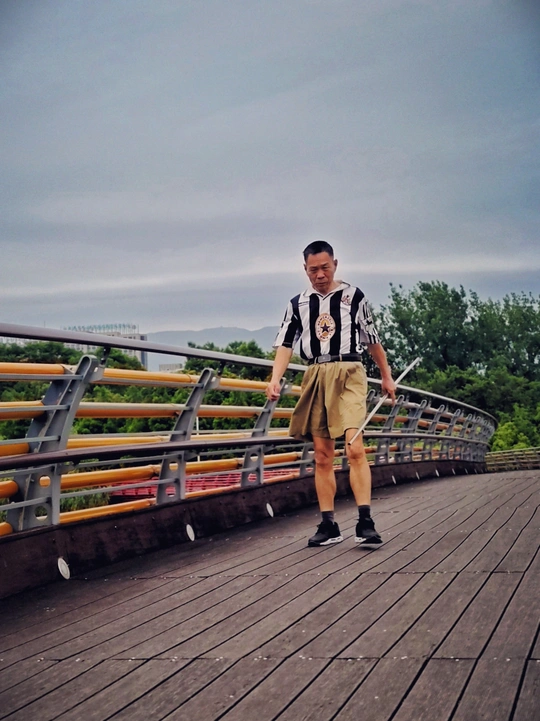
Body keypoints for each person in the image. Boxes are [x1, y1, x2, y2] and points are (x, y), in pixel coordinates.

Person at [266, 240, 396, 547]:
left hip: (349, 371)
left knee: (354, 447)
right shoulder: (297, 303)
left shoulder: (354, 296)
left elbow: (372, 339)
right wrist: (275, 379)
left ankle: (365, 522)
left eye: (325, 268)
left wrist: (386, 376)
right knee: (322, 454)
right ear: (305, 269)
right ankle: (328, 525)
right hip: (315, 374)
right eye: (313, 270)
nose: (320, 275)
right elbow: (285, 343)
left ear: (335, 264)